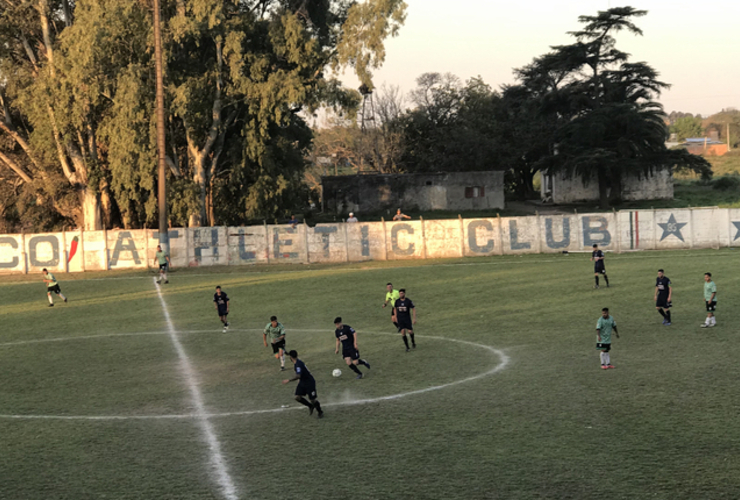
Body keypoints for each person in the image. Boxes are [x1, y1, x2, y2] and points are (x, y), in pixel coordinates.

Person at [282, 350, 323, 419]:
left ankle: (320, 412)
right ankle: (310, 406)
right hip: (302, 382)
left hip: (309, 383)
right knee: (297, 397)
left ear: (291, 358)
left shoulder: (298, 365)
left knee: (313, 400)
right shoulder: (297, 362)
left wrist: (289, 380)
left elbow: (298, 376)